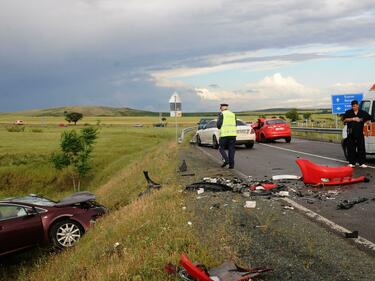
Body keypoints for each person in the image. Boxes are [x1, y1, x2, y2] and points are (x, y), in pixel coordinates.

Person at [343, 100, 371, 168]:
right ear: (351, 106)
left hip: (360, 133)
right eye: (353, 106)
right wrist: (353, 119)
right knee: (351, 148)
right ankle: (351, 163)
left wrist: (366, 122)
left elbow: (369, 118)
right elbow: (344, 120)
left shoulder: (362, 112)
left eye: (355, 106)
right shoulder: (348, 112)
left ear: (358, 105)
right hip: (350, 132)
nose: (354, 107)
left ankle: (362, 163)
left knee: (361, 148)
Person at [217, 103, 237, 169]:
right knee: (231, 150)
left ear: (222, 108)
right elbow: (235, 124)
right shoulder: (233, 114)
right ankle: (231, 166)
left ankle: (226, 160)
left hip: (224, 135)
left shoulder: (221, 114)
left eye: (220, 108)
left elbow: (219, 125)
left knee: (221, 148)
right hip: (233, 134)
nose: (220, 109)